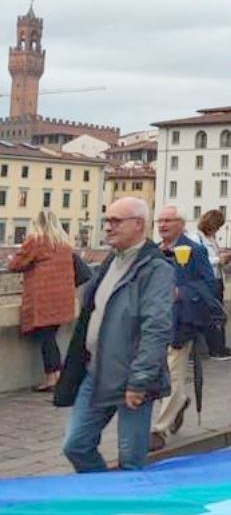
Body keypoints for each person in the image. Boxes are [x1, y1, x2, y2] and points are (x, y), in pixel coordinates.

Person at [61, 197, 174, 472]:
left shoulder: (156, 268)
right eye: (107, 220)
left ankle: (129, 509)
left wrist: (140, 380)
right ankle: (107, 495)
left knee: (131, 458)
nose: (108, 227)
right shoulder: (111, 261)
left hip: (133, 377)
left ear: (138, 225)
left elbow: (156, 328)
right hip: (96, 370)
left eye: (115, 221)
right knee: (76, 444)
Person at [150, 205, 219, 452]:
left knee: (174, 373)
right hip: (153, 324)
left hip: (181, 322)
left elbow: (208, 286)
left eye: (168, 221)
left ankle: (159, 429)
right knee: (158, 374)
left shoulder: (195, 250)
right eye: (160, 221)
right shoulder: (154, 252)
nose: (163, 225)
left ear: (181, 224)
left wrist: (181, 292)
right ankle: (178, 402)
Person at [8, 210, 76, 392]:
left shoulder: (36, 240)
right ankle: (57, 377)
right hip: (63, 299)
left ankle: (53, 379)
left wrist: (11, 259)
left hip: (44, 299)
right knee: (51, 337)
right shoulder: (64, 243)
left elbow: (16, 264)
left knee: (47, 339)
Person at [192, 209, 231, 360]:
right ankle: (216, 349)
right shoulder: (197, 238)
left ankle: (219, 347)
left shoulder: (211, 238)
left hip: (217, 280)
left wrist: (222, 255)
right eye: (218, 226)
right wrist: (218, 260)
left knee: (216, 314)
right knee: (212, 316)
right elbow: (197, 260)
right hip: (207, 282)